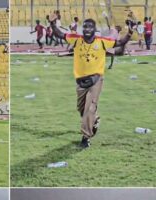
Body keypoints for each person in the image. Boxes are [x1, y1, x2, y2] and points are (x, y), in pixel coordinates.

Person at [50, 15, 134, 148]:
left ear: (94, 29)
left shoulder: (102, 41)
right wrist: (52, 24)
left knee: (90, 108)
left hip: (96, 79)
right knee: (82, 109)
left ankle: (86, 137)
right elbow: (60, 34)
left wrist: (130, 32)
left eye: (90, 27)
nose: (87, 29)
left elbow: (120, 43)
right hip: (80, 81)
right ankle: (95, 120)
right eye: (85, 27)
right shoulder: (76, 39)